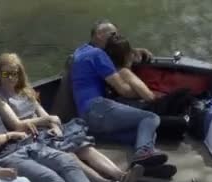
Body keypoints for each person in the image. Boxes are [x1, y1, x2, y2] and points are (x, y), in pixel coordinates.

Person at [0, 52, 143, 182]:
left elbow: (43, 112)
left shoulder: (25, 91)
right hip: (29, 137)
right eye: (6, 74)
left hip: (45, 131)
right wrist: (48, 119)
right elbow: (17, 124)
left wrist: (54, 125)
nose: (11, 78)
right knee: (70, 154)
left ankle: (121, 176)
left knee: (84, 147)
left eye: (15, 74)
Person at [70, 19, 168, 167]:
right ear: (99, 35)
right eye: (113, 34)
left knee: (144, 133)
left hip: (88, 120)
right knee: (150, 118)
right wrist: (148, 94)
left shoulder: (82, 51)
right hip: (97, 108)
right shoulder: (97, 55)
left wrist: (132, 51)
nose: (117, 37)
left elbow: (111, 54)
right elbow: (124, 91)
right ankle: (142, 153)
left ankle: (144, 164)